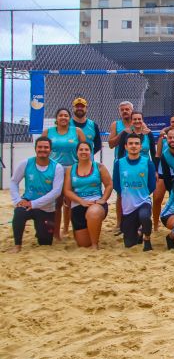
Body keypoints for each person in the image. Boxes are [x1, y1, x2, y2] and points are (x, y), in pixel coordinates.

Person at [9, 137, 64, 252]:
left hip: (46, 208)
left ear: (50, 150)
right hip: (27, 203)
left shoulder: (57, 167)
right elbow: (14, 181)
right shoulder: (26, 163)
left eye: (46, 147)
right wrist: (17, 200)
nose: (42, 149)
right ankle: (17, 245)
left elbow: (56, 192)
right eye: (40, 147)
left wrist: (33, 203)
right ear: (35, 148)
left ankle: (40, 230)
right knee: (19, 212)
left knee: (45, 242)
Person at [42, 108, 86, 239]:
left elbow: (85, 150)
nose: (63, 118)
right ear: (56, 118)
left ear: (69, 118)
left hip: (72, 170)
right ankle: (56, 233)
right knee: (57, 202)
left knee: (70, 201)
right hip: (55, 171)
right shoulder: (48, 132)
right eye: (61, 115)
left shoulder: (76, 131)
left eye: (66, 115)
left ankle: (67, 229)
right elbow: (42, 152)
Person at [63, 142, 113, 249]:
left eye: (86, 149)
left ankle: (95, 245)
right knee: (84, 244)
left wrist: (103, 199)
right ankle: (89, 236)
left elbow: (109, 185)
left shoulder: (99, 167)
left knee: (93, 213)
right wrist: (81, 201)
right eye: (81, 150)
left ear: (90, 152)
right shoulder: (70, 169)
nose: (84, 152)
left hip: (95, 202)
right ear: (76, 152)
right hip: (78, 205)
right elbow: (67, 191)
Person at [113, 133, 157, 251]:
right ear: (126, 147)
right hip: (128, 206)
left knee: (144, 217)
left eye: (136, 143)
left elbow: (152, 184)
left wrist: (143, 193)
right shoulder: (119, 163)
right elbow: (116, 184)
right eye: (131, 143)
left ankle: (147, 238)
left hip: (143, 201)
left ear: (140, 147)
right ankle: (139, 232)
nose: (133, 146)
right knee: (129, 243)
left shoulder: (147, 162)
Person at [108, 101, 135, 231]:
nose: (125, 111)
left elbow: (146, 137)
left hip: (135, 163)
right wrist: (123, 133)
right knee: (120, 194)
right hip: (120, 162)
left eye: (127, 109)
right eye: (122, 110)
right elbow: (111, 144)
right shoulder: (116, 124)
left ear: (132, 110)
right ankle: (119, 223)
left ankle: (135, 222)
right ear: (119, 112)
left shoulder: (137, 122)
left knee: (135, 191)